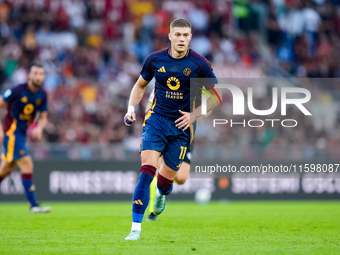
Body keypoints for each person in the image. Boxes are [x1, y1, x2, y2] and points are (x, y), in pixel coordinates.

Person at [124, 18, 221, 240]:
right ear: (170, 36)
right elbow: (140, 85)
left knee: (169, 180)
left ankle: (162, 192)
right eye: (177, 34)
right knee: (146, 170)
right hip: (156, 120)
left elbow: (217, 94)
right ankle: (135, 229)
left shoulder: (199, 64)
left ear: (190, 38)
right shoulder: (155, 59)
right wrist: (131, 108)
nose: (181, 39)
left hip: (182, 126)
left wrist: (195, 114)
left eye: (185, 35)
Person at [0, 61, 51, 213]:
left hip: (22, 134)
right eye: (35, 73)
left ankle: (34, 205)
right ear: (29, 75)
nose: (38, 77)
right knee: (27, 164)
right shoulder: (17, 90)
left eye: (41, 74)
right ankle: (33, 206)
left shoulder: (42, 94)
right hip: (12, 133)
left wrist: (40, 129)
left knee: (6, 169)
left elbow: (43, 117)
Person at [144, 90, 191, 221]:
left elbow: (205, 109)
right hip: (162, 131)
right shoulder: (161, 84)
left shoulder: (192, 87)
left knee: (181, 178)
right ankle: (153, 211)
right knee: (158, 170)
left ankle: (164, 183)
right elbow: (149, 107)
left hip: (183, 134)